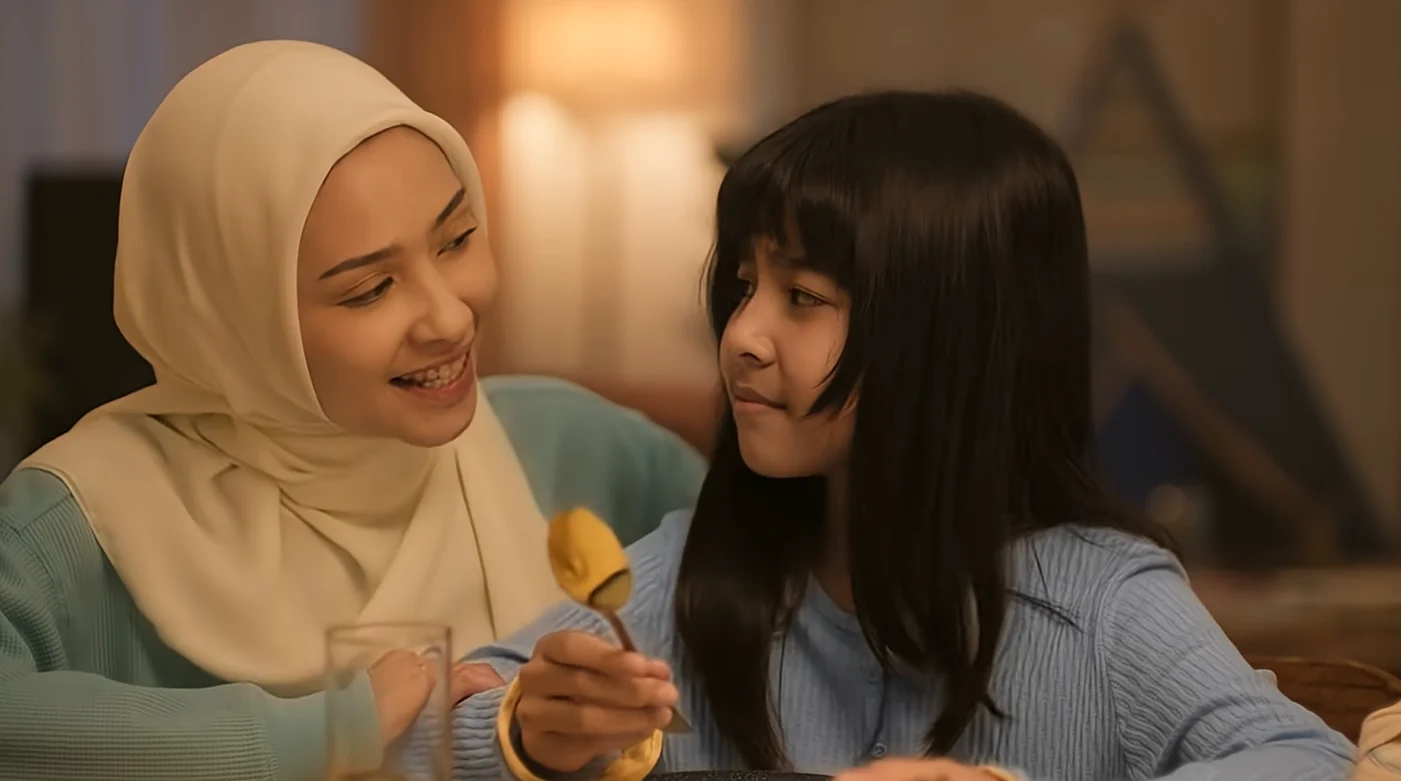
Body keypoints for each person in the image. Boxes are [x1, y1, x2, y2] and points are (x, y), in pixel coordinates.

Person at [449, 90, 1355, 781]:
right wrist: (525, 732)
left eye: (802, 297)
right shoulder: (687, 576)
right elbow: (436, 726)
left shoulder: (1101, 603)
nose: (742, 336)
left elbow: (1307, 760)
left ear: (947, 341)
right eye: (743, 285)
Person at [0, 40, 704, 781]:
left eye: (457, 240)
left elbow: (771, 575)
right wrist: (329, 730)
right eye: (370, 290)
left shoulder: (572, 443)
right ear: (237, 325)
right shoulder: (74, 521)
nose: (449, 317)